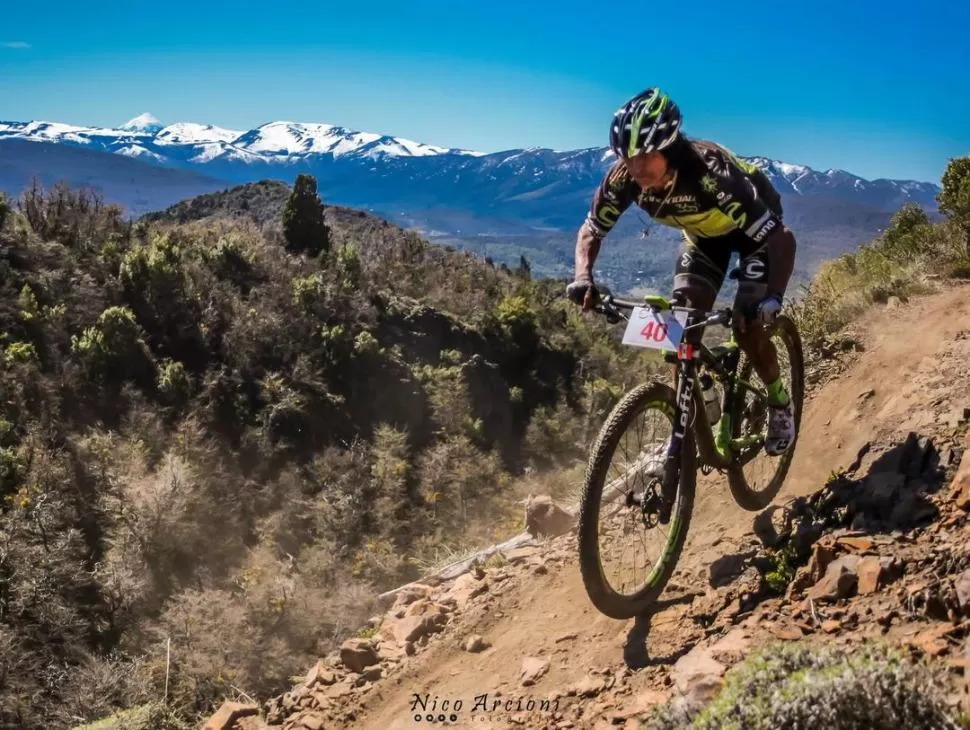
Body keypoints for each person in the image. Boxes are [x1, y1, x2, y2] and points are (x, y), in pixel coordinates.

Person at [565, 87, 797, 456]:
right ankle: (692, 406)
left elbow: (782, 240)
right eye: (628, 157)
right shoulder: (624, 179)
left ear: (669, 148)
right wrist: (582, 277)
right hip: (704, 239)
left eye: (645, 157)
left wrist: (773, 298)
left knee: (748, 326)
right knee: (680, 330)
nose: (636, 168)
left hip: (756, 237)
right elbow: (591, 230)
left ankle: (779, 400)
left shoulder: (711, 174)